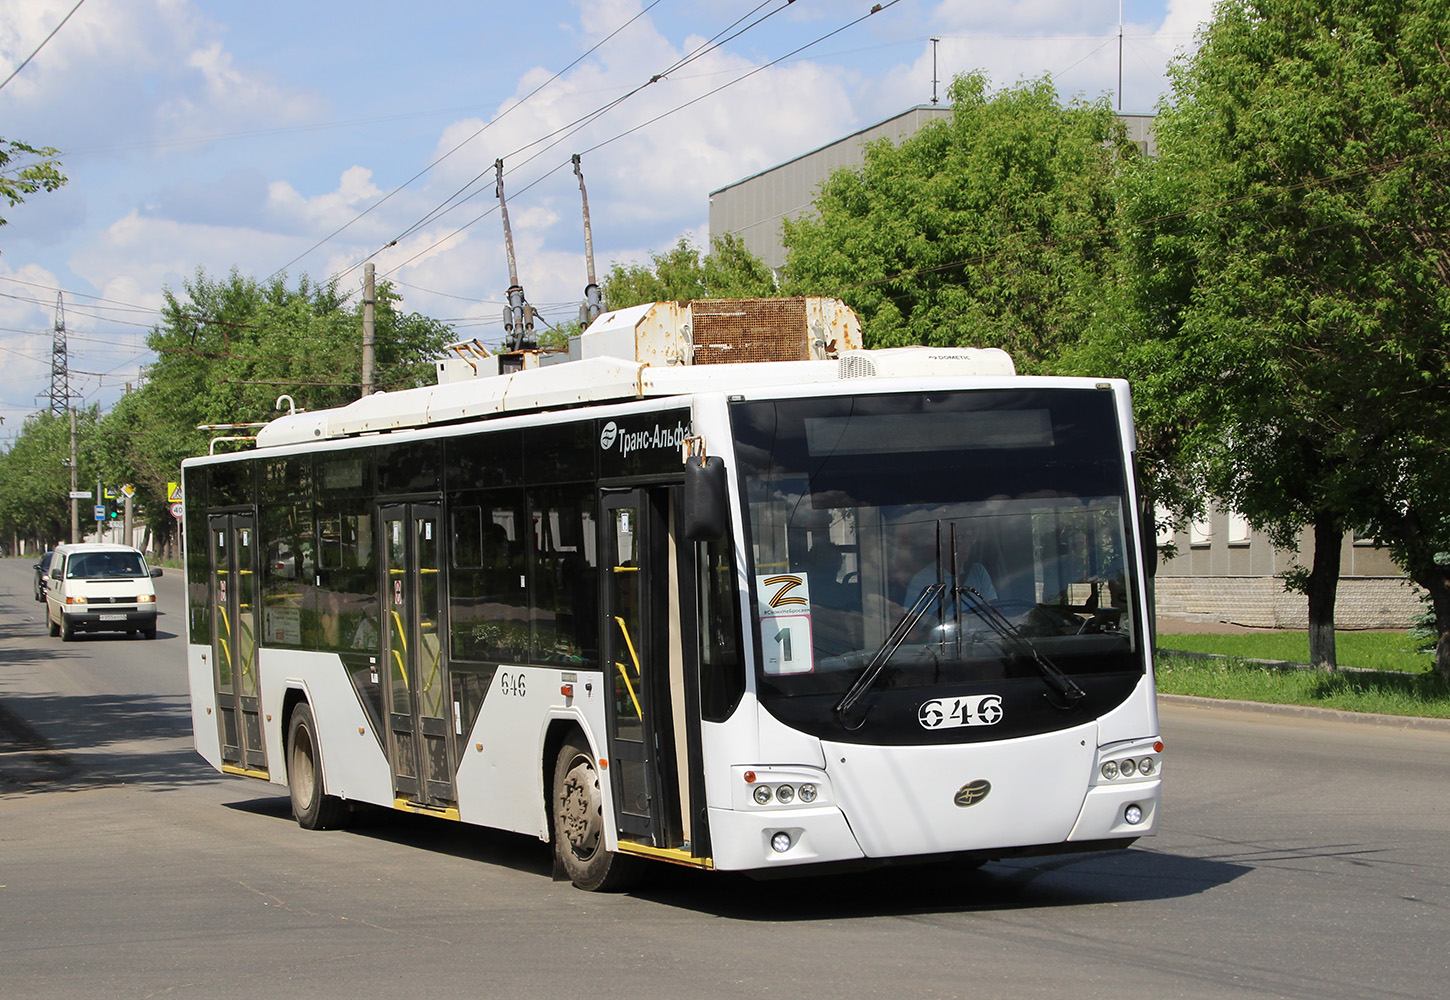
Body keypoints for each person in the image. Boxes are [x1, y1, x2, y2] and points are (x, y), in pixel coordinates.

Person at [902, 522, 996, 613]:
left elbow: (993, 610)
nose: (967, 544)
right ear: (942, 544)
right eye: (960, 539)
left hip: (981, 624)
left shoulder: (978, 571)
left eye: (970, 538)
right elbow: (912, 619)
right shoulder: (921, 580)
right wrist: (953, 620)